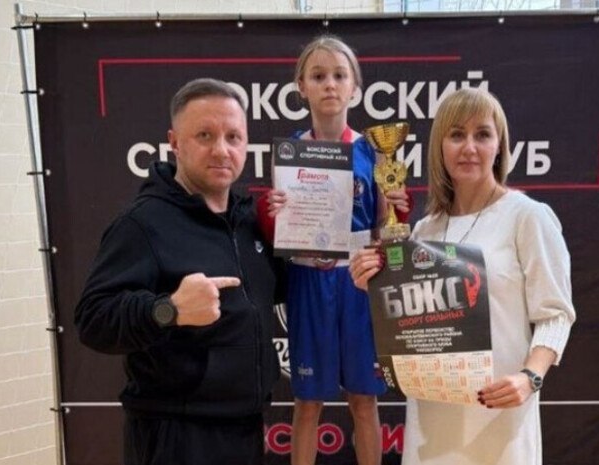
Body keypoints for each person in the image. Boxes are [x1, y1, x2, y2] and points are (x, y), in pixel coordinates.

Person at [349, 87, 576, 465]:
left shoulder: (527, 216)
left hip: (500, 418)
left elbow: (556, 315)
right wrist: (374, 284)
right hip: (431, 421)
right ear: (440, 146)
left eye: (482, 134)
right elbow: (411, 326)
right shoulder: (424, 230)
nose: (469, 147)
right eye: (457, 135)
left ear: (499, 146)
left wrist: (530, 377)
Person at [75, 78, 282, 465]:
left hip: (245, 428)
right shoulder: (143, 223)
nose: (221, 149)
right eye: (205, 135)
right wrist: (168, 309)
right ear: (175, 142)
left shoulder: (248, 220)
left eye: (233, 137)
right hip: (176, 436)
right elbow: (92, 319)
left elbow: (275, 289)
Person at [257, 35, 411, 465]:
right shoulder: (290, 151)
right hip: (308, 280)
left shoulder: (373, 150)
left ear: (354, 87)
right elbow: (278, 232)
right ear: (301, 86)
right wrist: (272, 213)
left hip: (359, 281)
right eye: (319, 75)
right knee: (308, 402)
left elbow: (387, 226)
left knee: (364, 399)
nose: (329, 84)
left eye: (340, 76)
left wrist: (399, 207)